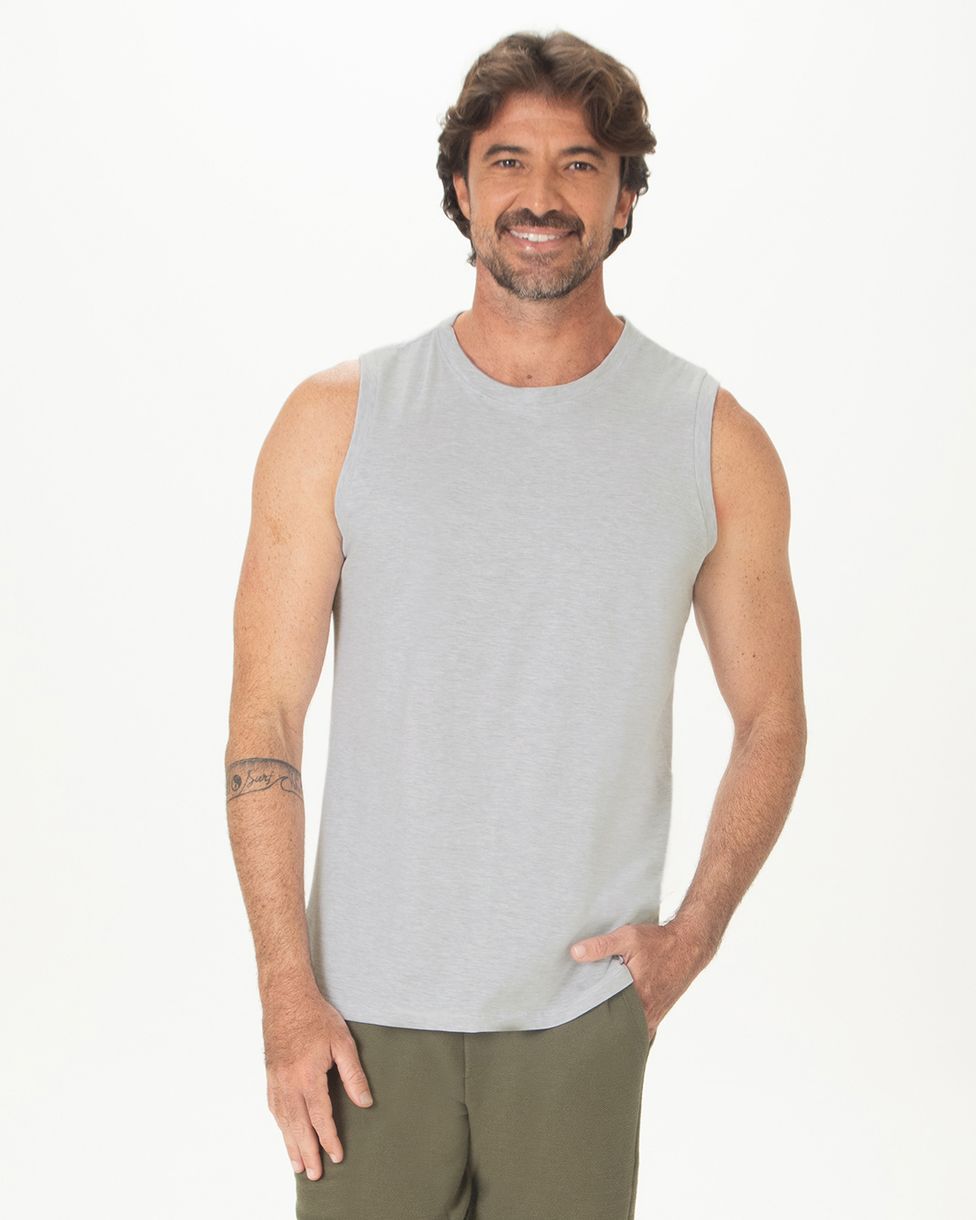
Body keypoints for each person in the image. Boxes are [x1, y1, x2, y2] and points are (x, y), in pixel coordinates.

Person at [224, 28, 806, 1220]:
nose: (541, 197)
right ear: (460, 186)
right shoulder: (337, 420)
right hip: (359, 1019)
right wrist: (285, 986)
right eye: (507, 162)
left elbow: (772, 719)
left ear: (625, 197)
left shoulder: (710, 439)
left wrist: (692, 934)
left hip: (578, 1011)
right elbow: (264, 719)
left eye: (580, 164)